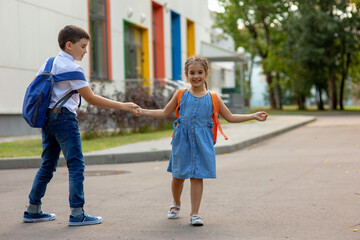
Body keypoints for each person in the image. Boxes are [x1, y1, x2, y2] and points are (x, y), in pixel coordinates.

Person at [22, 25, 139, 226]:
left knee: (48, 164)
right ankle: (77, 214)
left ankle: (33, 209)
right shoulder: (73, 68)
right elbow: (91, 98)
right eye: (83, 46)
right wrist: (124, 106)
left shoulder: (49, 63)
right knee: (76, 165)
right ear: (69, 45)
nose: (85, 51)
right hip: (65, 119)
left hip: (47, 118)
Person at [131, 56, 268, 226]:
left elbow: (230, 117)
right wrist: (143, 111)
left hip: (203, 142)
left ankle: (195, 213)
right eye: (192, 73)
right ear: (186, 74)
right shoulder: (180, 94)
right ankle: (176, 203)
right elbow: (164, 113)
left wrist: (253, 116)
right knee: (178, 176)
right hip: (182, 141)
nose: (196, 76)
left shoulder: (213, 97)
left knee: (197, 177)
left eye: (200, 72)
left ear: (206, 73)